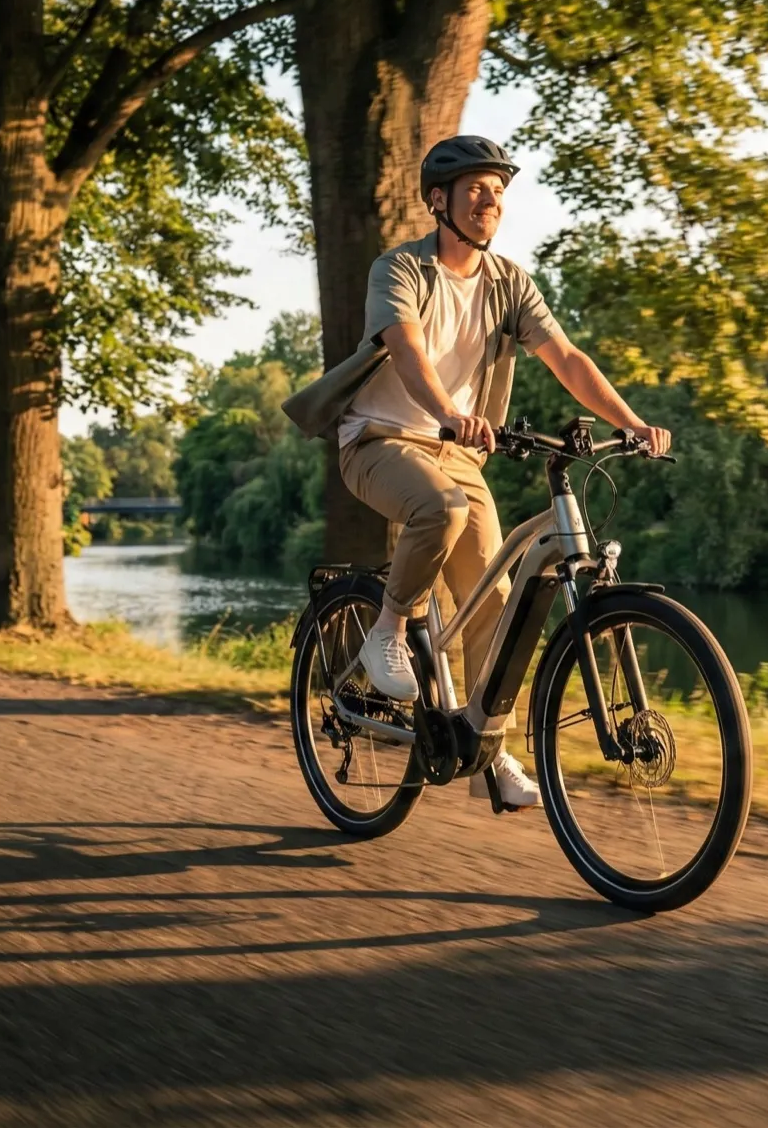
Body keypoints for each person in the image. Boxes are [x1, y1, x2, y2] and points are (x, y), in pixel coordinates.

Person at [280, 136, 669, 810]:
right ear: (440, 201)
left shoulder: (508, 282)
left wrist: (631, 421)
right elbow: (406, 351)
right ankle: (386, 633)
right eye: (476, 192)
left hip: (456, 449)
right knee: (440, 508)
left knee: (497, 594)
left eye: (498, 193)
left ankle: (490, 748)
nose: (490, 204)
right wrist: (450, 412)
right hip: (378, 439)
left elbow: (567, 357)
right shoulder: (398, 270)